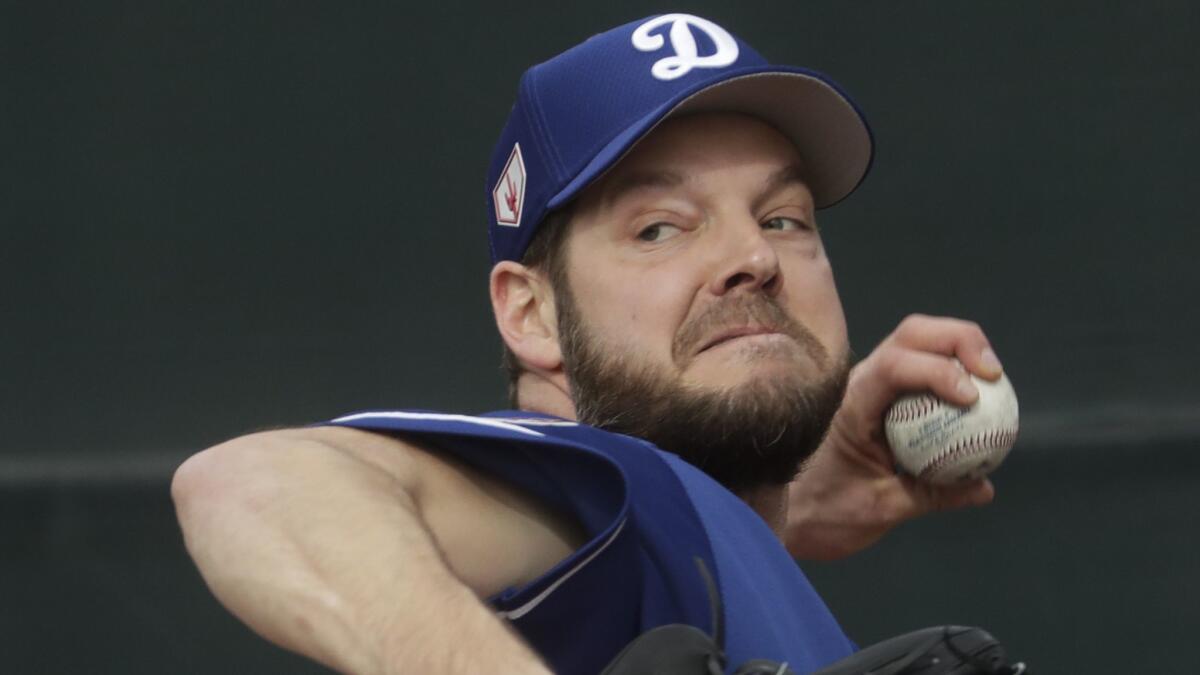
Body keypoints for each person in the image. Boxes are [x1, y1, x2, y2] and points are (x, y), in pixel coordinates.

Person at [172, 13, 1003, 675]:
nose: (752, 258)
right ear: (530, 314)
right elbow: (251, 484)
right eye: (659, 228)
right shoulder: (627, 490)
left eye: (782, 217)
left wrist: (787, 513)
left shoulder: (679, 534)